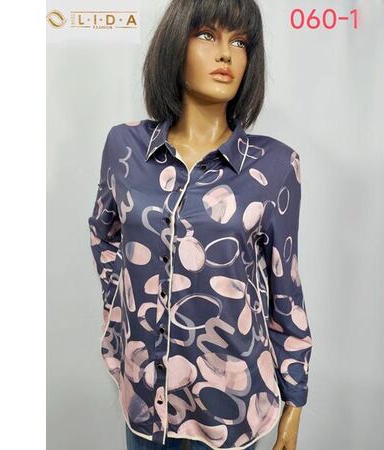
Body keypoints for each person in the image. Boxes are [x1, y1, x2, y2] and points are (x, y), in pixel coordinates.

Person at [87, 1, 313, 449]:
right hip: (147, 399)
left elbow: (285, 288)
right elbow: (103, 234)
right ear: (176, 44)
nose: (225, 53)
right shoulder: (125, 147)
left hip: (234, 402)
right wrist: (129, 311)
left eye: (239, 42)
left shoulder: (274, 165)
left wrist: (295, 400)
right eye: (207, 35)